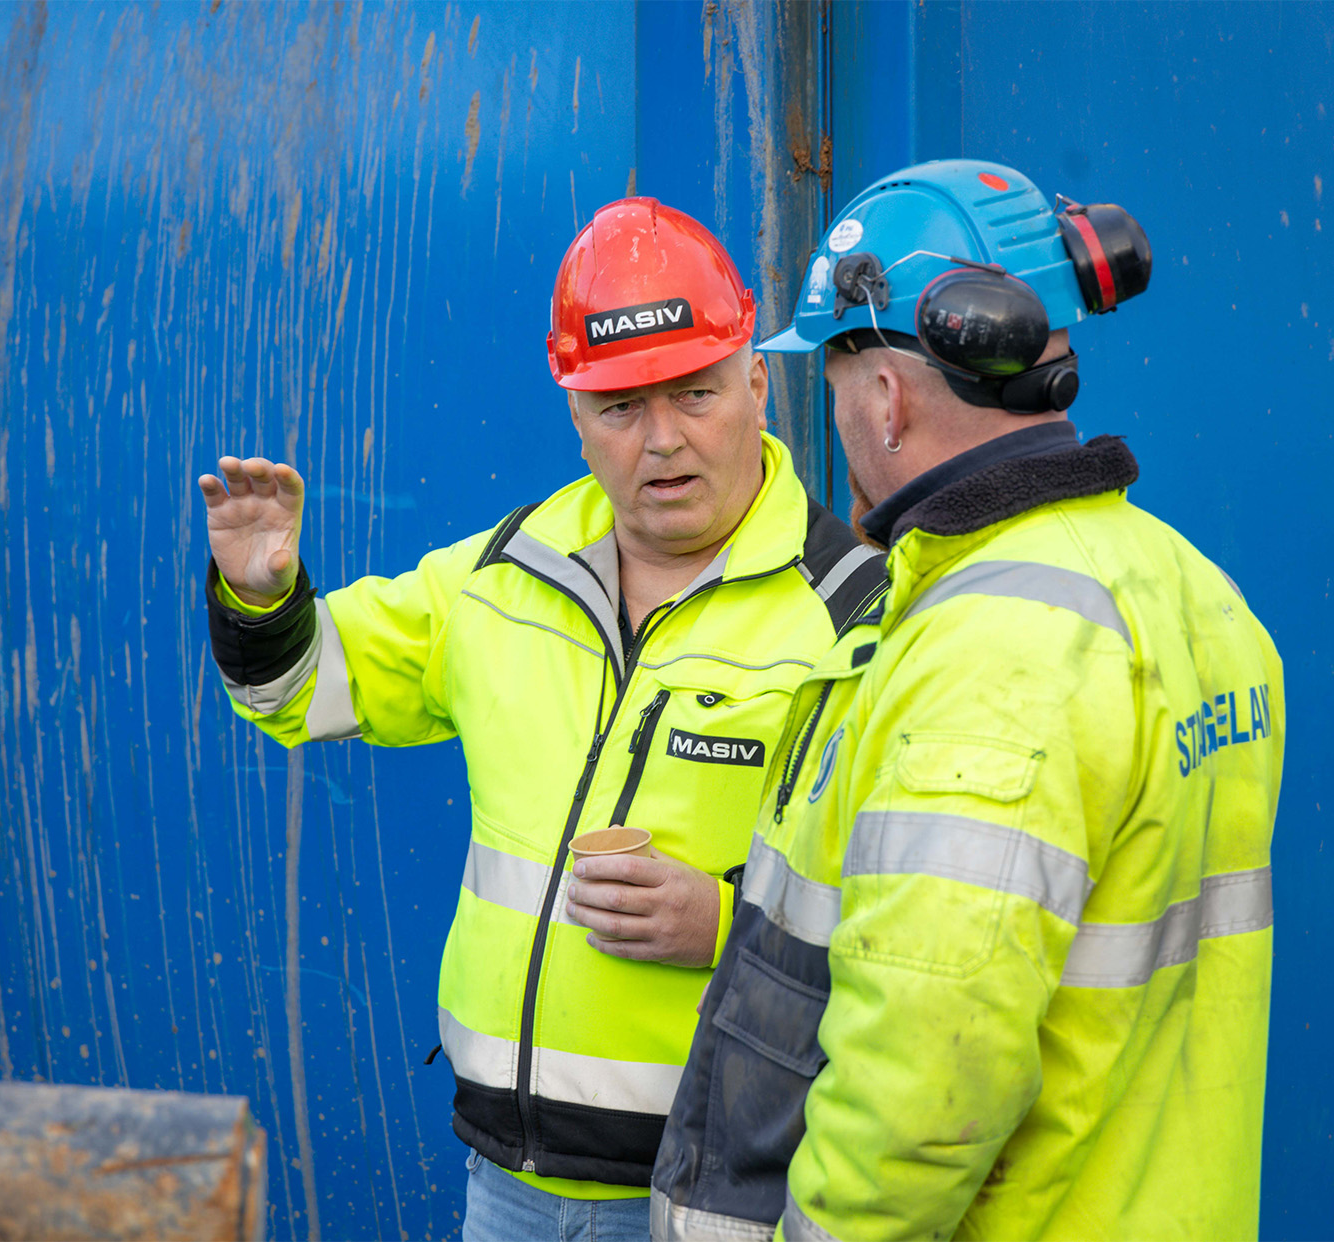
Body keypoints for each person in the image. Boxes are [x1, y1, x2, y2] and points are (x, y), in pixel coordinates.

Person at [198, 198, 887, 1241]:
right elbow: (301, 689)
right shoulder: (506, 574)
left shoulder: (853, 612)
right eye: (619, 408)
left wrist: (726, 923)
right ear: (574, 413)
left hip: (717, 1196)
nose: (663, 440)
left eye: (695, 393)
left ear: (756, 385)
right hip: (506, 1187)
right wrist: (260, 593)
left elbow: (924, 917)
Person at [651, 159, 1285, 1241]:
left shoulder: (990, 651)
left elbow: (928, 1086)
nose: (839, 415)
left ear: (887, 396)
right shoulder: (1193, 592)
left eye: (838, 383)